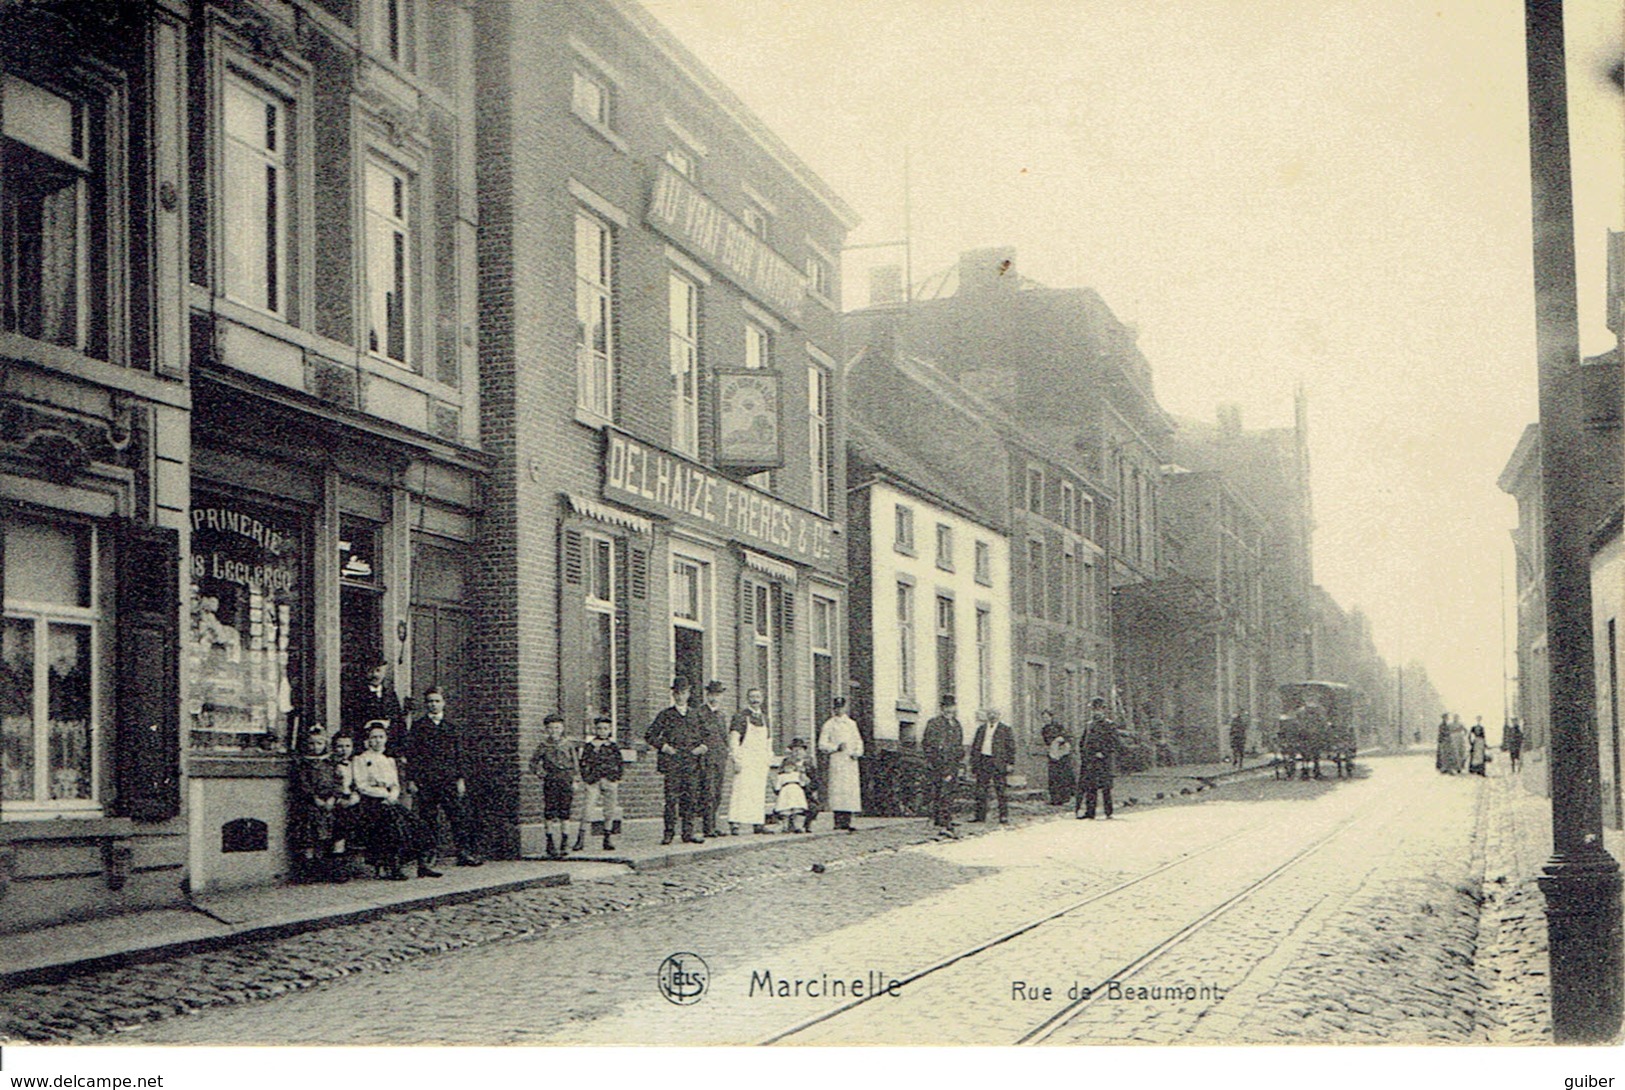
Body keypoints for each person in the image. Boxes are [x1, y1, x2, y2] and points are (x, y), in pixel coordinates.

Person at [405, 688, 483, 867]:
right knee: (427, 818)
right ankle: (429, 854)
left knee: (457, 816)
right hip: (426, 780)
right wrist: (411, 779)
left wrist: (460, 779)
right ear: (426, 705)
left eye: (437, 701)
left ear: (443, 703)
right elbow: (412, 755)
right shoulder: (418, 727)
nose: (433, 704)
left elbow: (459, 755)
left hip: (448, 779)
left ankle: (463, 852)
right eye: (430, 701)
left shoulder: (452, 727)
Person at [352, 722, 440, 880]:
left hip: (390, 801)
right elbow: (362, 785)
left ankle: (423, 865)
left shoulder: (389, 760)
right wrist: (384, 795)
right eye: (374, 738)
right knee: (394, 827)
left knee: (417, 824)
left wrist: (392, 795)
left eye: (381, 737)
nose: (377, 741)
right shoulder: (361, 759)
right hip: (371, 802)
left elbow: (395, 784)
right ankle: (393, 866)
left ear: (386, 739)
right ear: (368, 740)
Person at [647, 677, 707, 845]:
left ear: (688, 694)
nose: (680, 696)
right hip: (673, 762)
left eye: (683, 693)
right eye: (677, 693)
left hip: (691, 762)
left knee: (691, 798)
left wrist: (702, 747)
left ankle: (688, 833)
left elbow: (707, 736)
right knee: (671, 799)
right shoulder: (666, 715)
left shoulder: (696, 715)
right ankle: (669, 833)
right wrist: (664, 746)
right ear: (673, 695)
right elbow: (650, 735)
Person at [290, 724, 353, 883]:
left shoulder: (331, 762)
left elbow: (338, 781)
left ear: (325, 744)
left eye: (319, 743)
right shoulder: (303, 763)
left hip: (330, 803)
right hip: (312, 803)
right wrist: (314, 798)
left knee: (335, 832)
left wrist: (333, 797)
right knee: (309, 835)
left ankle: (336, 869)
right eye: (312, 743)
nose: (315, 747)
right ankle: (308, 870)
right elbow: (303, 784)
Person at [528, 712, 578, 859]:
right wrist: (541, 773)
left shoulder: (568, 744)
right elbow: (533, 763)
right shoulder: (543, 746)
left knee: (565, 811)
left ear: (562, 729)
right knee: (550, 810)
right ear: (546, 730)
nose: (554, 731)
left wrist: (575, 780)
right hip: (551, 779)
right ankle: (550, 842)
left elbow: (575, 764)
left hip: (566, 779)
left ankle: (564, 842)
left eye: (557, 728)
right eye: (550, 728)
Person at [727, 687, 775, 835]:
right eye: (752, 697)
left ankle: (758, 822)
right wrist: (736, 759)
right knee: (741, 790)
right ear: (748, 699)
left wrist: (768, 758)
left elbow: (768, 741)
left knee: (758, 792)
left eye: (758, 697)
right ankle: (735, 823)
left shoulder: (765, 718)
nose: (755, 700)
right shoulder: (740, 717)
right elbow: (734, 740)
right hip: (745, 759)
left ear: (762, 699)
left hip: (759, 760)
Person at [575, 714, 623, 852]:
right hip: (593, 781)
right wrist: (587, 778)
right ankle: (580, 838)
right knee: (588, 809)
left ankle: (607, 838)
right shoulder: (590, 746)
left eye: (605, 728)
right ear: (595, 730)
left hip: (610, 780)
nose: (602, 731)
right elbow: (583, 763)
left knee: (610, 810)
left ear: (609, 730)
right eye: (599, 728)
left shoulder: (613, 746)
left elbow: (619, 763)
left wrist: (616, 777)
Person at [817, 696, 864, 831]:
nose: (839, 710)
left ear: (845, 708)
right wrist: (835, 747)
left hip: (850, 761)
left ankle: (847, 821)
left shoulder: (851, 724)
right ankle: (838, 821)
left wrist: (857, 752)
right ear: (833, 709)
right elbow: (822, 744)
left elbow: (858, 741)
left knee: (849, 790)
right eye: (836, 708)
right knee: (838, 790)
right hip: (837, 760)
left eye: (841, 707)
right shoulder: (829, 724)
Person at [921, 694, 965, 837]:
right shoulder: (934, 723)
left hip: (953, 763)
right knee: (942, 792)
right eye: (946, 707)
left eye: (951, 707)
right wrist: (936, 761)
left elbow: (959, 744)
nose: (949, 710)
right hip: (939, 764)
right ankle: (944, 822)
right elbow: (928, 744)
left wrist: (959, 757)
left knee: (950, 792)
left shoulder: (956, 724)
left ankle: (944, 819)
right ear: (941, 708)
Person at [343, 662, 405, 753]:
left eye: (378, 671)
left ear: (384, 673)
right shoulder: (356, 695)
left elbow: (398, 721)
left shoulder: (390, 695)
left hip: (389, 747)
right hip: (365, 745)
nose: (375, 675)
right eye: (370, 671)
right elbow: (350, 721)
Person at [1077, 697, 1121, 820]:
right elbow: (1083, 742)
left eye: (1098, 709)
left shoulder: (1109, 725)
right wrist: (1085, 755)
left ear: (1103, 710)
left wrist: (1103, 752)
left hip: (1104, 760)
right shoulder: (1089, 725)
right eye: (1093, 710)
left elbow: (1114, 742)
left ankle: (1108, 811)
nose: (1096, 712)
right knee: (1090, 787)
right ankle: (1090, 812)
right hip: (1090, 760)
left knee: (1105, 787)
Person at [697, 681, 731, 838]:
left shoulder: (721, 715)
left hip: (720, 758)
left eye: (717, 695)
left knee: (718, 793)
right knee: (708, 792)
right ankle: (707, 827)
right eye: (712, 694)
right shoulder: (700, 713)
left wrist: (726, 751)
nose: (714, 698)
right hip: (706, 758)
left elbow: (724, 737)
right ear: (707, 695)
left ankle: (714, 824)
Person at [970, 707, 1015, 824]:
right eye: (990, 714)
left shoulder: (1005, 729)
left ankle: (1003, 816)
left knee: (1001, 790)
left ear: (999, 715)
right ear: (987, 716)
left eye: (995, 714)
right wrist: (974, 763)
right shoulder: (981, 729)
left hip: (998, 763)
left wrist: (1010, 763)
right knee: (980, 790)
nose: (992, 716)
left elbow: (1011, 748)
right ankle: (980, 816)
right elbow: (975, 746)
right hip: (983, 761)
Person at [774, 743, 812, 833]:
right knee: (785, 809)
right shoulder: (782, 776)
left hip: (798, 793)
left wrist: (803, 776)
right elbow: (777, 786)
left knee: (798, 809)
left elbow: (805, 783)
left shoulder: (802, 769)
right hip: (786, 793)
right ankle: (785, 826)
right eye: (795, 750)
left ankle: (799, 826)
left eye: (799, 750)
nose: (789, 769)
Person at [1041, 708, 1074, 806]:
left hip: (1062, 753)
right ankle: (1055, 798)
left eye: (1047, 717)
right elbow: (1047, 741)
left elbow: (1067, 736)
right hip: (1052, 754)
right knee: (1053, 776)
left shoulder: (1059, 726)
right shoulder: (1044, 729)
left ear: (1051, 717)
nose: (1045, 719)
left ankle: (1065, 798)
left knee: (1063, 776)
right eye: (1043, 718)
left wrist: (1060, 740)